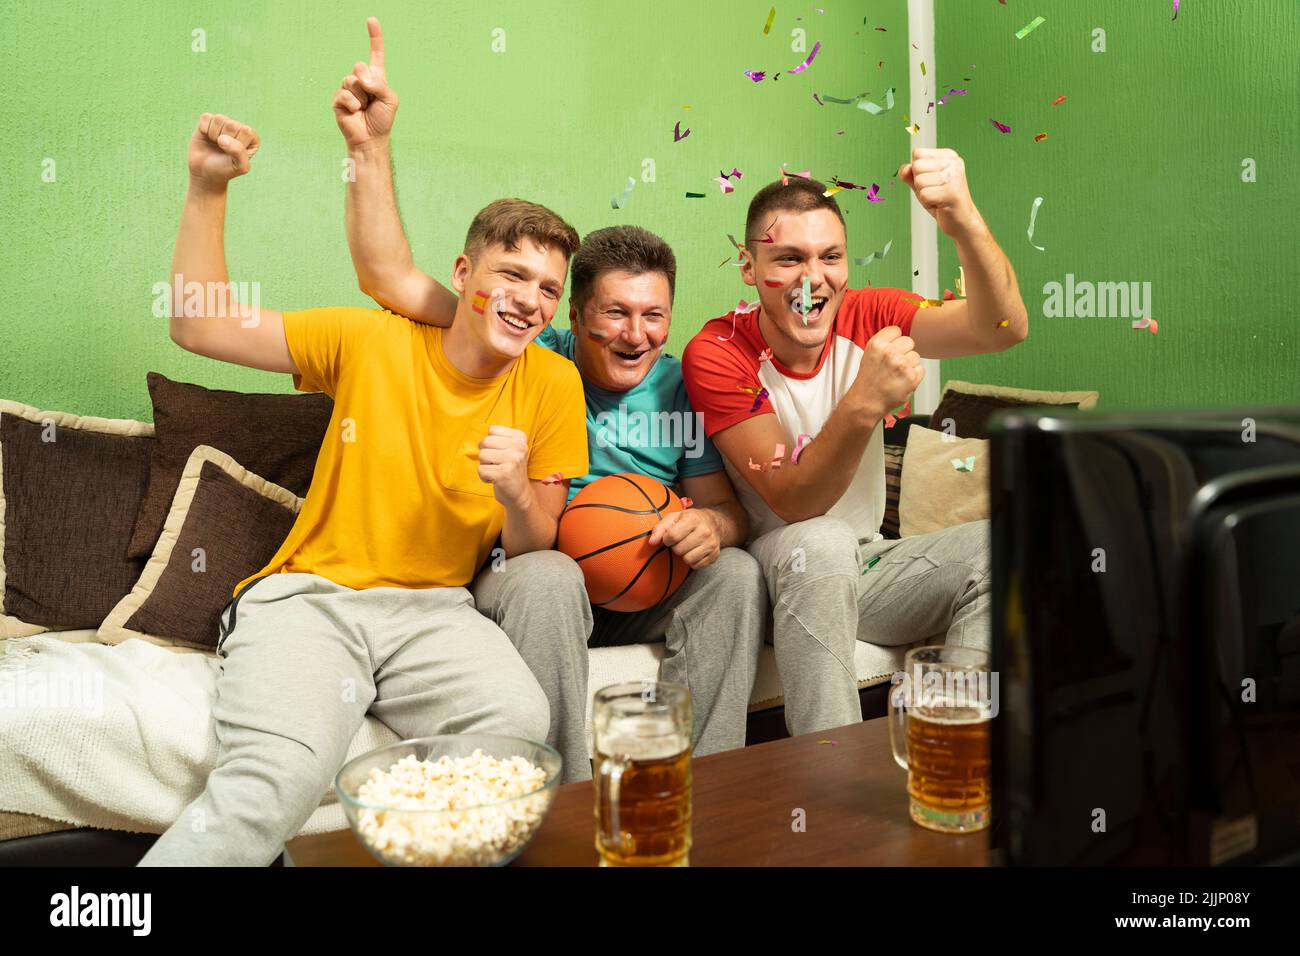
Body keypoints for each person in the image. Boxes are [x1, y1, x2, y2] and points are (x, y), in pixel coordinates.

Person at [140, 105, 588, 865]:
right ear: (463, 274)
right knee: (275, 779)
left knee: (513, 724)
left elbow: (537, 538)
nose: (529, 300)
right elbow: (197, 323)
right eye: (513, 274)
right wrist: (208, 186)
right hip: (314, 601)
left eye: (548, 288)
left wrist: (517, 492)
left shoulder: (553, 378)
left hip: (438, 613)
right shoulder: (372, 338)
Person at [330, 18, 765, 782]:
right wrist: (370, 146)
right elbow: (393, 279)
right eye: (615, 314)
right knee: (548, 575)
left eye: (654, 315)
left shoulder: (681, 383)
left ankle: (706, 790)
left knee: (737, 572)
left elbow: (725, 509)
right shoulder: (528, 349)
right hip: (535, 574)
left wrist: (708, 526)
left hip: (637, 579)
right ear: (571, 315)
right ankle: (559, 805)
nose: (637, 335)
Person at [682, 164, 1029, 736]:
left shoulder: (868, 315)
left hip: (866, 563)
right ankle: (830, 797)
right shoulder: (718, 350)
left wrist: (963, 220)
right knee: (820, 541)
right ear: (749, 268)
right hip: (773, 573)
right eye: (788, 258)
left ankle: (954, 753)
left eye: (830, 257)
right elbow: (796, 503)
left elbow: (1002, 328)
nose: (812, 279)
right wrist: (865, 401)